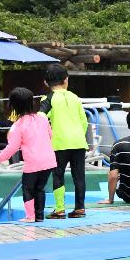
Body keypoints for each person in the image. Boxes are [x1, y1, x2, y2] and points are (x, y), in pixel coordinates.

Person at [0, 88, 56, 222]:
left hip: (33, 163)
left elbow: (12, 148)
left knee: (28, 189)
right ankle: (39, 216)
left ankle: (30, 216)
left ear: (13, 106)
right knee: (40, 188)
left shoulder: (18, 126)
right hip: (49, 161)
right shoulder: (42, 119)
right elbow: (50, 135)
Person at [40, 64, 88, 219]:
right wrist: (79, 135)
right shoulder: (75, 98)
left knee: (58, 175)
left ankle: (59, 209)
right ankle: (80, 208)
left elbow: (41, 118)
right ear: (66, 80)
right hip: (79, 142)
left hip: (59, 143)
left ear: (46, 83)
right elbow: (84, 122)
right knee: (79, 176)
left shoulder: (48, 98)